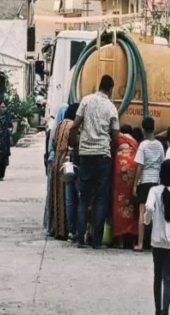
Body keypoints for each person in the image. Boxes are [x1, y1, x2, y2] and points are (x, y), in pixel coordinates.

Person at [69, 75, 121, 248]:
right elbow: (115, 136)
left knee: (84, 198)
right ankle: (97, 241)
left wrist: (74, 143)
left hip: (85, 155)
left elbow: (75, 125)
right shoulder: (111, 108)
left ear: (99, 85)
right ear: (111, 89)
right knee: (100, 199)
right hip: (103, 157)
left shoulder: (86, 101)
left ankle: (80, 238)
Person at [145, 159, 170, 315]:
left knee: (157, 276)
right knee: (168, 278)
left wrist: (147, 219)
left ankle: (157, 309)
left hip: (156, 240)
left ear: (160, 174)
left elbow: (148, 207)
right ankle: (165, 310)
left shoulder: (154, 190)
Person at [134, 117, 165, 251]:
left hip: (145, 181)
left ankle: (140, 244)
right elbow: (162, 164)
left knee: (142, 212)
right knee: (155, 214)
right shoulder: (159, 145)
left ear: (143, 129)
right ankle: (154, 243)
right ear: (154, 127)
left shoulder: (142, 145)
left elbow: (140, 167)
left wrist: (135, 184)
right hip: (156, 182)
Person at [47, 104, 74, 239]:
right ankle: (68, 229)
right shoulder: (72, 126)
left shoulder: (58, 126)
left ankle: (57, 229)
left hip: (56, 163)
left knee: (56, 196)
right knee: (67, 197)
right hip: (67, 164)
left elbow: (52, 144)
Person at [113, 124, 140, 244]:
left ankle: (120, 237)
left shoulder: (118, 137)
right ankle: (132, 235)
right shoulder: (134, 142)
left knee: (119, 201)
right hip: (133, 169)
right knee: (131, 202)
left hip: (120, 168)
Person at [60, 103, 81, 239]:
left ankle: (71, 230)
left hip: (64, 164)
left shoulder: (60, 125)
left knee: (69, 199)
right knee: (80, 197)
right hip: (76, 163)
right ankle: (79, 231)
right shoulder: (74, 127)